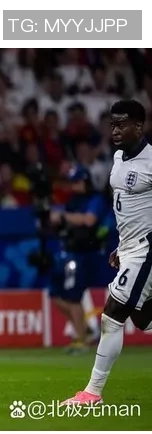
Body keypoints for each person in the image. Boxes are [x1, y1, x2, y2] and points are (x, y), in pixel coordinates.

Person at [62, 100, 152, 405]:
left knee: (112, 313)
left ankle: (92, 392)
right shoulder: (117, 157)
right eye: (112, 124)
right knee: (142, 318)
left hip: (147, 249)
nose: (114, 130)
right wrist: (122, 245)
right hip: (130, 247)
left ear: (138, 126)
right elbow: (129, 208)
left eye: (121, 124)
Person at [48, 165, 107, 354]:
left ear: (86, 182)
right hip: (69, 251)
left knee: (74, 295)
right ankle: (86, 329)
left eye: (77, 182)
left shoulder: (95, 198)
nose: (74, 186)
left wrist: (63, 216)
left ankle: (80, 339)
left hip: (86, 253)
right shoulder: (73, 201)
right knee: (55, 295)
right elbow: (66, 222)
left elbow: (89, 220)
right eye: (72, 182)